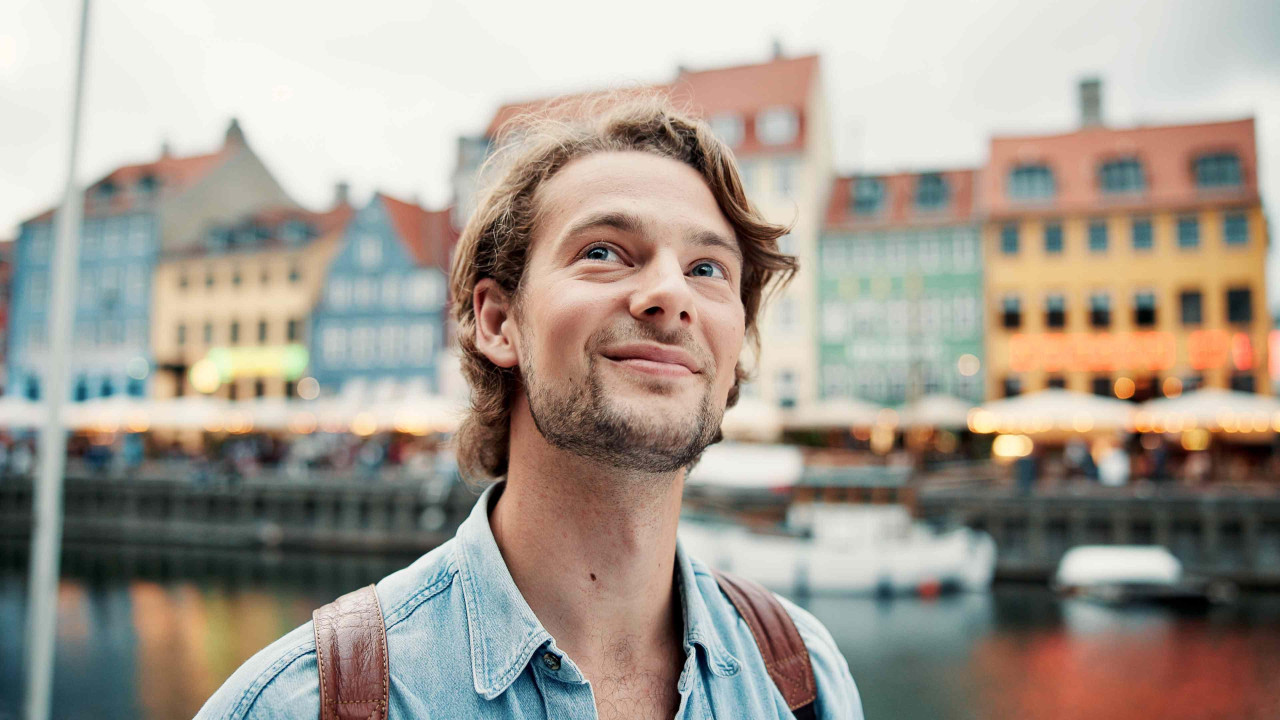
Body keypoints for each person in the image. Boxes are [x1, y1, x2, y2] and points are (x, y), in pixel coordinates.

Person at [196, 96, 862, 719]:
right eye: (603, 252)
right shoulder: (309, 702)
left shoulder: (800, 677)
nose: (669, 293)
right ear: (497, 321)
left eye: (708, 269)